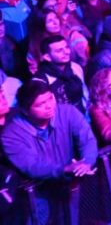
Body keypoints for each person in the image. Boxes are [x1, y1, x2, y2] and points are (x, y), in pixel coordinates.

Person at [1, 80, 98, 224]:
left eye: (50, 98)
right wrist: (64, 169)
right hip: (38, 193)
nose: (49, 106)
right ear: (26, 110)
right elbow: (32, 165)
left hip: (70, 184)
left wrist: (87, 161)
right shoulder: (11, 134)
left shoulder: (67, 112)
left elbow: (87, 139)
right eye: (40, 104)